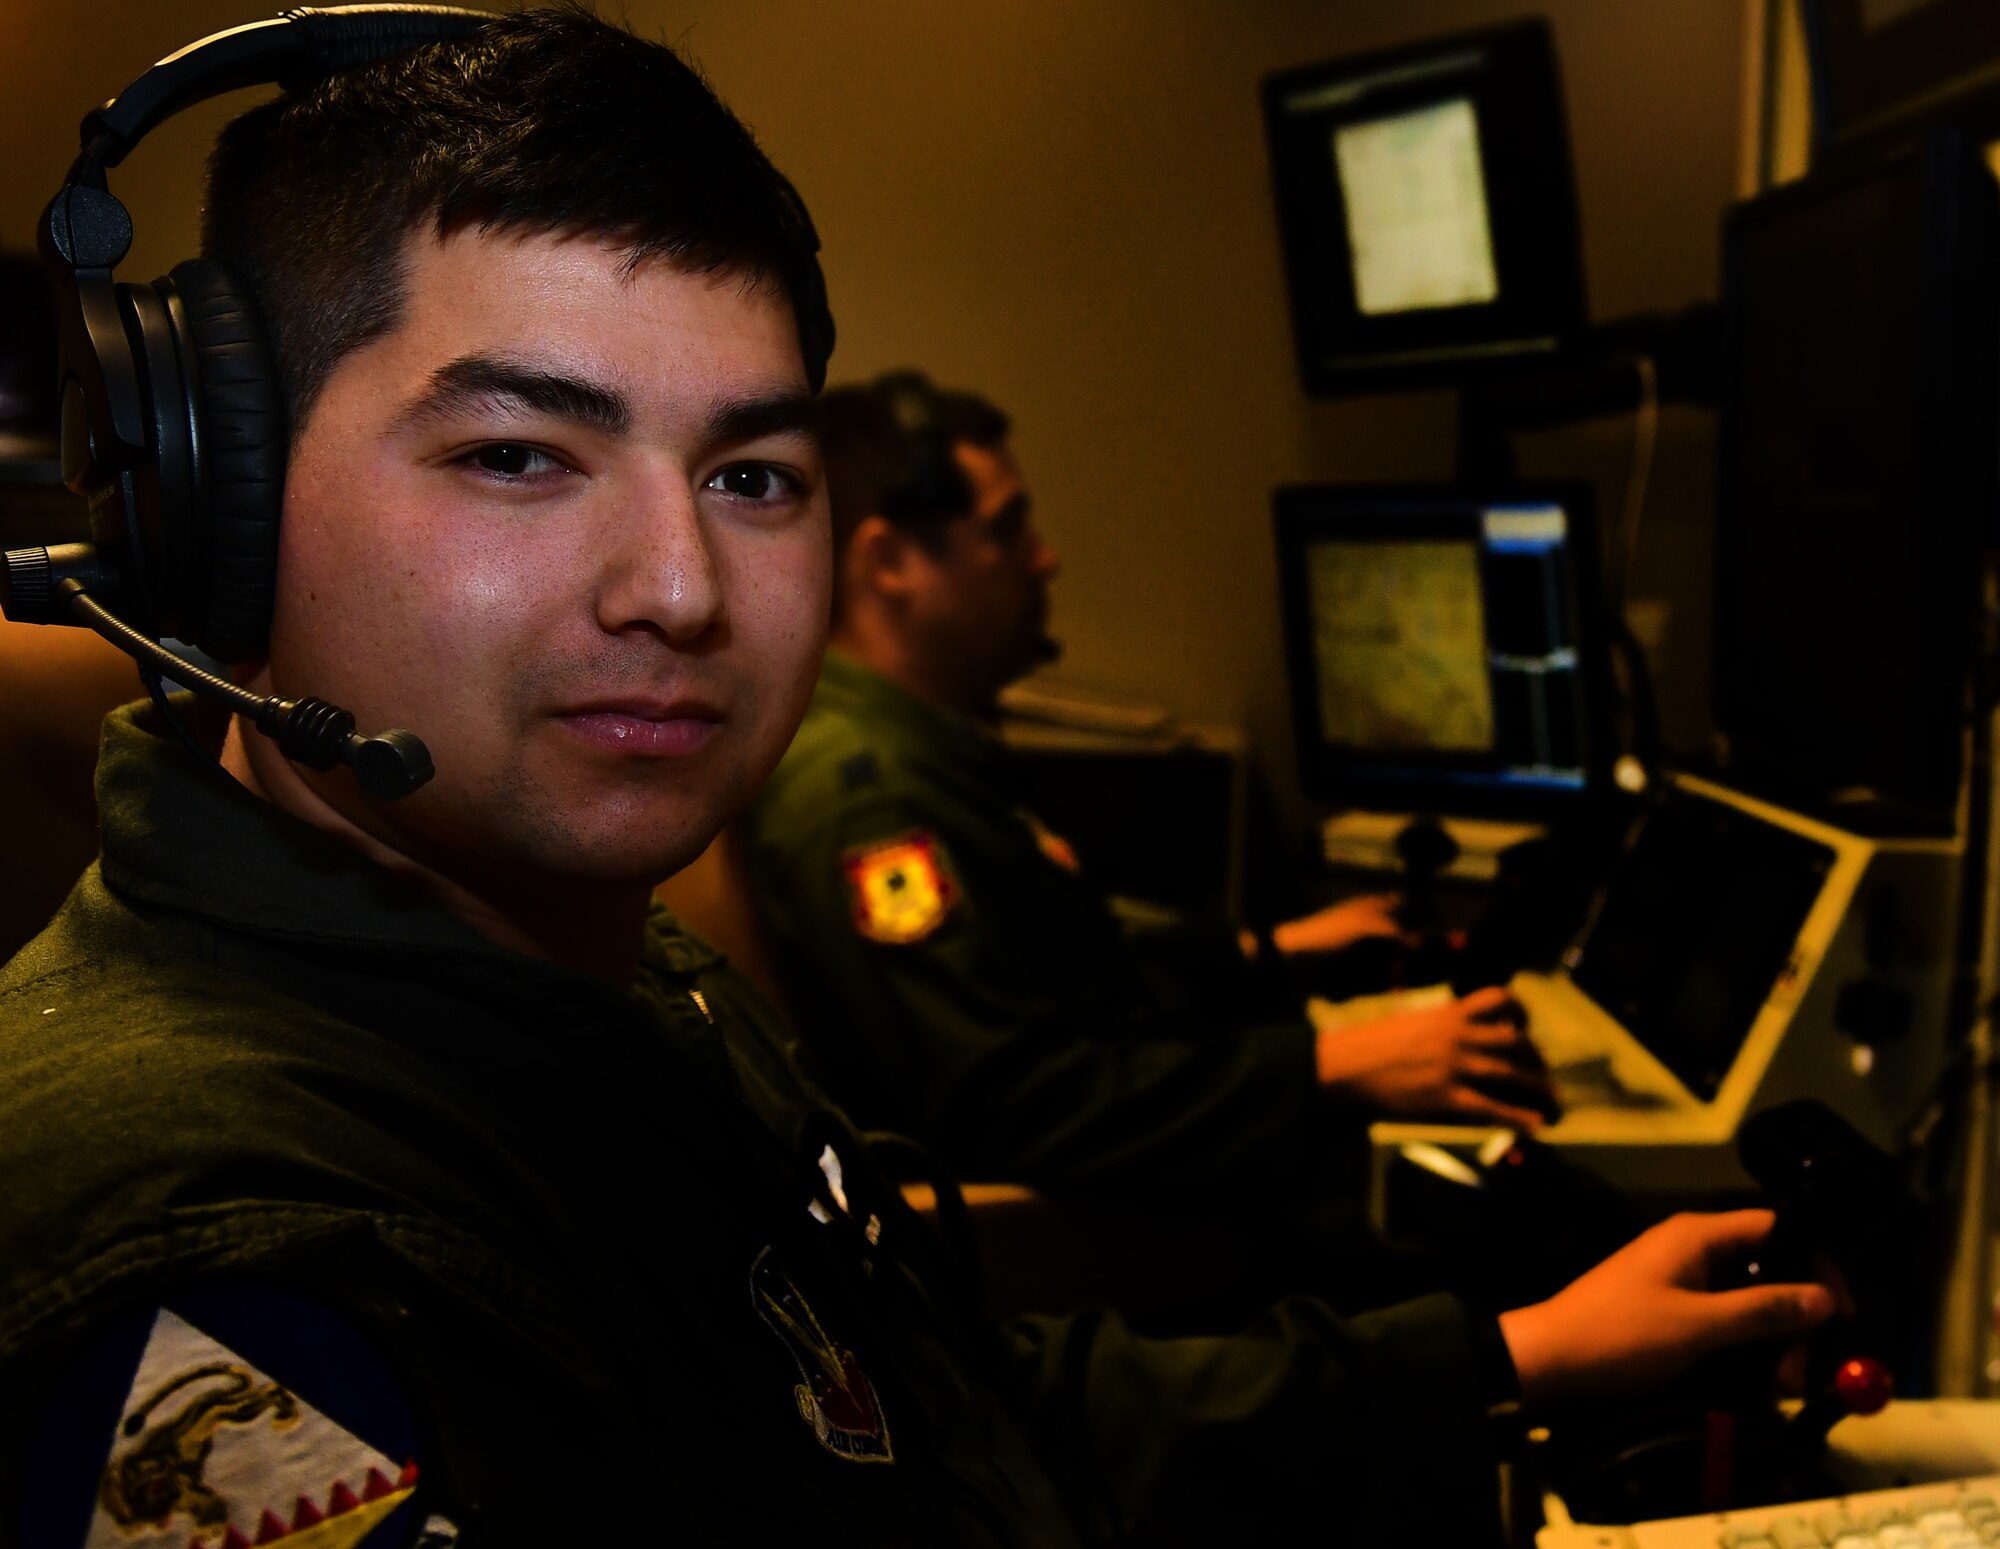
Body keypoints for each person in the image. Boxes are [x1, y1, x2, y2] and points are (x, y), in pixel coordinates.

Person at [0, 13, 1831, 1546]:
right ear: (207, 519)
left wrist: (1511, 1359)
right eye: (516, 453)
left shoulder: (611, 987)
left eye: (752, 474)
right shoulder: (224, 1266)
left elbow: (921, 1423)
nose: (680, 587)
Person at [741, 372, 1556, 1206]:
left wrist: (1270, 955)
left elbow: (1049, 960)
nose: (1044, 557)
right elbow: (1015, 1108)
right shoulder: (868, 802)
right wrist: (1335, 1066)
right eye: (1008, 527)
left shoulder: (914, 748)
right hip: (1109, 1255)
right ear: (891, 563)